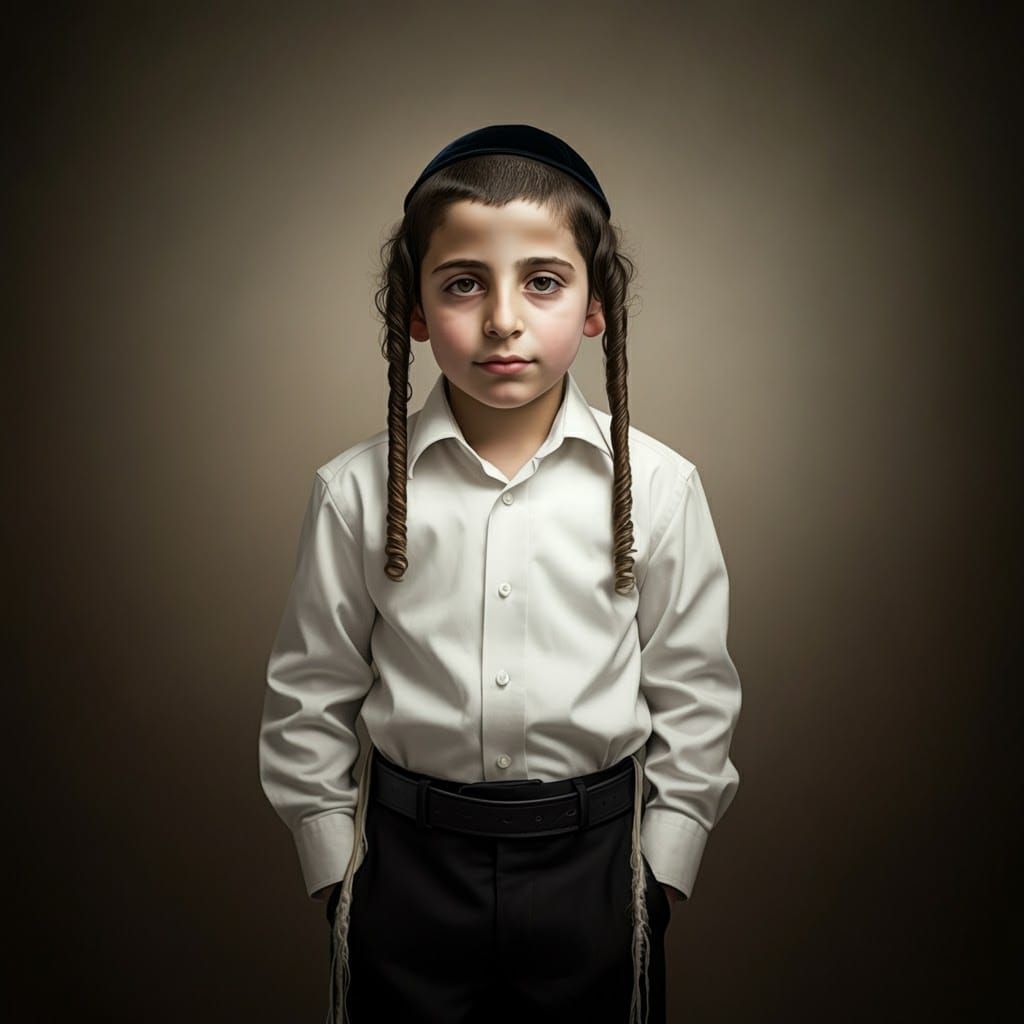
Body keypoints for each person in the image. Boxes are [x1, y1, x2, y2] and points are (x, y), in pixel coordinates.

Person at [258, 123, 743, 1024]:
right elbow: (309, 690)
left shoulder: (663, 489)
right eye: (463, 284)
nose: (503, 319)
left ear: (596, 306)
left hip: (595, 869)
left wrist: (662, 872)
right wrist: (336, 876)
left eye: (544, 282)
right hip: (407, 870)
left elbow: (696, 691)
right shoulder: (356, 492)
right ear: (412, 308)